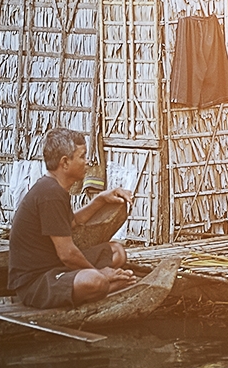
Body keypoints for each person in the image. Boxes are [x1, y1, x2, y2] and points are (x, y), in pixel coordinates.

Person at [8, 128, 137, 308]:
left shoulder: (55, 189)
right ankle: (107, 286)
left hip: (55, 266)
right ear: (65, 162)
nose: (87, 162)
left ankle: (107, 283)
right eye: (82, 156)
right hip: (37, 283)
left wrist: (100, 199)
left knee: (117, 251)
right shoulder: (50, 194)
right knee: (95, 280)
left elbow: (72, 222)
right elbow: (68, 254)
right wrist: (101, 273)